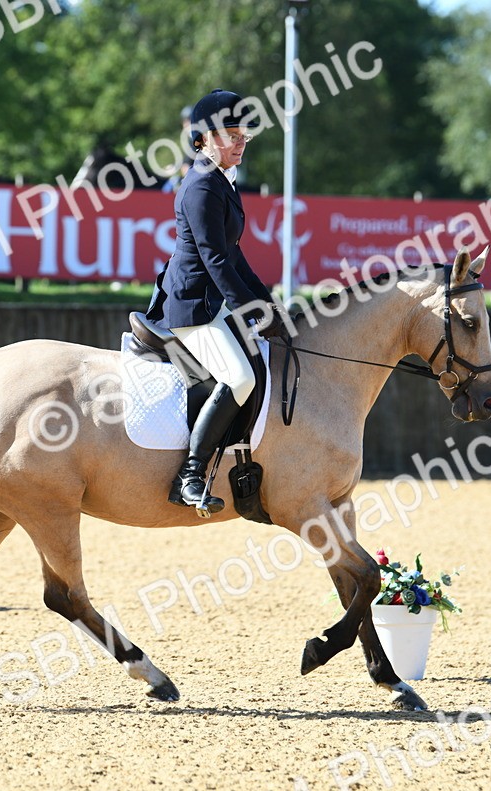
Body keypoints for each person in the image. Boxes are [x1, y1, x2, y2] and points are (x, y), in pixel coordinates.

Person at [145, 88, 282, 515]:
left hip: (214, 300)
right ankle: (189, 476)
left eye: (245, 135)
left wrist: (269, 303)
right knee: (240, 377)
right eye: (233, 135)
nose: (242, 142)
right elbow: (216, 258)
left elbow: (236, 255)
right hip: (192, 306)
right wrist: (249, 310)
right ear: (204, 137)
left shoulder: (221, 179)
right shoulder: (202, 185)